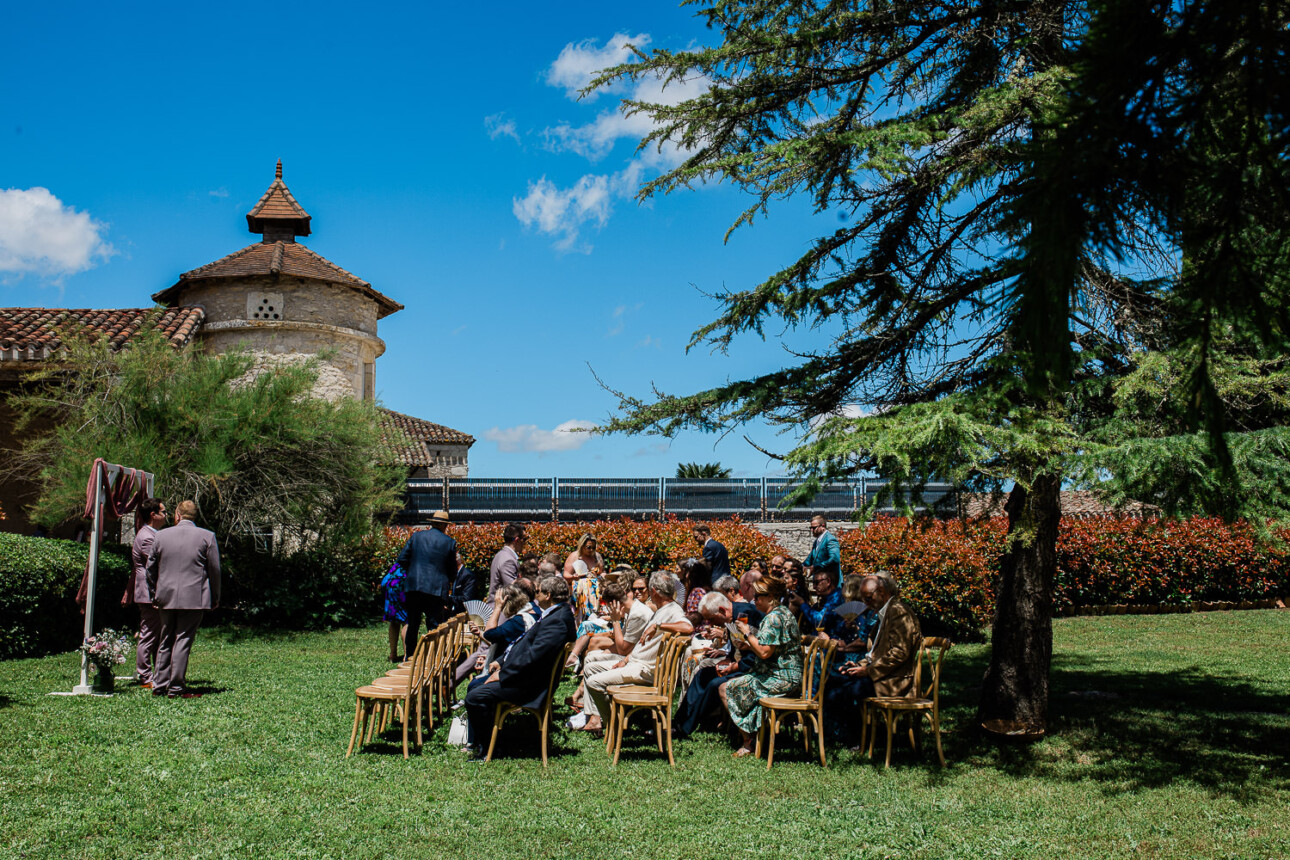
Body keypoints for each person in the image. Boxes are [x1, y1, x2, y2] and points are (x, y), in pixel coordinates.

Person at [463, 574, 576, 759]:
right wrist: (500, 662)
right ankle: (491, 742)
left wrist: (503, 674)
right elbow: (523, 645)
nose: (535, 595)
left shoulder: (558, 621)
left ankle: (491, 748)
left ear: (548, 595)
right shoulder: (556, 615)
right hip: (523, 676)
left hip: (528, 685)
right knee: (476, 687)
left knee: (475, 696)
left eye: (538, 592)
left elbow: (534, 657)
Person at [580, 571, 694, 735]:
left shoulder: (672, 610)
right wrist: (626, 660)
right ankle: (606, 720)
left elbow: (688, 628)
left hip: (646, 671)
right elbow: (641, 647)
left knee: (593, 682)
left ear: (653, 591)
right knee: (591, 669)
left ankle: (616, 726)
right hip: (635, 664)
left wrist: (659, 625)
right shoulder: (661, 609)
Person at [828, 572, 922, 746]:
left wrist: (868, 670)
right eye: (864, 599)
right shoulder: (883, 612)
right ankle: (842, 735)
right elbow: (876, 652)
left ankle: (861, 738)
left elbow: (900, 653)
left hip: (895, 680)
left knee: (846, 692)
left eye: (869, 598)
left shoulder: (898, 612)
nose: (866, 603)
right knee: (834, 681)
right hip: (882, 675)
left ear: (882, 591)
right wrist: (859, 665)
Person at [717, 576, 803, 758]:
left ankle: (750, 742)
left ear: (770, 597)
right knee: (739, 684)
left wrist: (747, 634)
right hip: (786, 675)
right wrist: (749, 645)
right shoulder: (783, 613)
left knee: (726, 689)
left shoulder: (773, 619)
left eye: (757, 597)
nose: (754, 600)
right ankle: (756, 737)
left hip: (781, 679)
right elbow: (772, 647)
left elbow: (764, 653)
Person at [144, 500, 220, 699]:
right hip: (194, 597)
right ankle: (176, 686)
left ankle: (159, 684)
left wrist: (153, 592)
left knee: (165, 638)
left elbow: (150, 568)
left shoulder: (161, 536)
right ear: (195, 516)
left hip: (165, 595)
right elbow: (214, 570)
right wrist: (215, 596)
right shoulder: (207, 536)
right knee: (183, 639)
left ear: (177, 514)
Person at [672, 591, 764, 738]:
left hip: (756, 668)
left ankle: (687, 727)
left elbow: (755, 651)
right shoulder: (730, 616)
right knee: (703, 674)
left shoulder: (745, 615)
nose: (711, 624)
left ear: (722, 611)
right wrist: (728, 659)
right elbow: (737, 645)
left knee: (714, 684)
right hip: (739, 664)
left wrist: (735, 666)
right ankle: (677, 722)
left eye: (711, 619)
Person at [396, 510, 458, 658]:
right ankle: (432, 657)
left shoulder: (416, 537)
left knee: (413, 623)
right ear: (445, 526)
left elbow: (402, 559)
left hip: (414, 586)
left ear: (431, 523)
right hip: (435, 589)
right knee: (433, 625)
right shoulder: (449, 542)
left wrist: (413, 571)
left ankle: (410, 656)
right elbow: (452, 570)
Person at [125, 497, 167, 688]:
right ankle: (145, 676)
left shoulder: (151, 533)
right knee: (149, 634)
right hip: (148, 591)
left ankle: (157, 674)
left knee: (156, 634)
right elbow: (155, 565)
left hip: (151, 590)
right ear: (153, 514)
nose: (166, 515)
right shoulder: (147, 536)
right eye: (163, 512)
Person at [488, 524, 527, 604]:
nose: (525, 543)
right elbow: (513, 590)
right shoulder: (508, 560)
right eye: (524, 539)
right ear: (516, 540)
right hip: (502, 612)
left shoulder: (501, 555)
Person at [379, 562, 408, 663]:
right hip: (402, 588)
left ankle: (393, 655)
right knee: (407, 621)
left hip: (390, 587)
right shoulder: (414, 561)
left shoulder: (398, 563)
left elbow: (384, 582)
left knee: (394, 622)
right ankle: (407, 655)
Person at [803, 514, 842, 583]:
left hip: (831, 583)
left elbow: (834, 559)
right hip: (821, 582)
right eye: (810, 528)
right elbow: (810, 559)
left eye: (814, 528)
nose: (812, 530)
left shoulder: (830, 540)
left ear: (823, 526)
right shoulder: (817, 541)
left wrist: (816, 567)